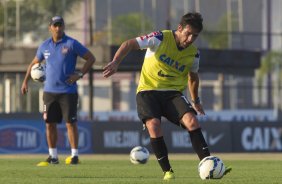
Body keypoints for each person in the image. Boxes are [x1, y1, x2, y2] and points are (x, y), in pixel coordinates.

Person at [103, 12, 231, 180]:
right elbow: (129, 44)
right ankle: (168, 171)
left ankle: (209, 165)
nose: (190, 39)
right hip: (148, 91)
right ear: (179, 28)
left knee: (192, 121)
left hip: (172, 94)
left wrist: (196, 101)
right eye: (188, 33)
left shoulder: (193, 54)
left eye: (195, 36)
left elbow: (193, 77)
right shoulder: (159, 38)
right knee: (154, 125)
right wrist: (116, 62)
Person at [21, 16, 96, 166]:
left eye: (60, 25)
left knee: (70, 123)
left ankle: (74, 156)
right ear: (50, 27)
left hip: (68, 91)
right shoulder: (44, 46)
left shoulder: (71, 43)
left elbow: (91, 58)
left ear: (63, 27)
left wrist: (79, 74)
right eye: (55, 25)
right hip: (49, 92)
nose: (58, 28)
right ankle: (53, 156)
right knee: (49, 123)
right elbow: (34, 63)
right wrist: (25, 81)